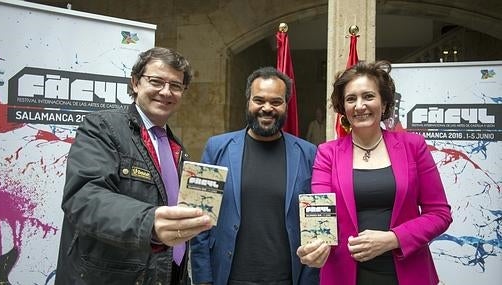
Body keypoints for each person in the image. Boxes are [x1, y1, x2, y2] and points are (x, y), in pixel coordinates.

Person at [55, 47, 213, 285]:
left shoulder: (177, 148)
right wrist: (149, 222)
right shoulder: (102, 127)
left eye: (176, 86)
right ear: (136, 82)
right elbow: (83, 197)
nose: (166, 92)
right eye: (156, 81)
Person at [296, 61, 452, 285]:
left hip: (407, 272)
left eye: (368, 96)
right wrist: (313, 249)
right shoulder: (327, 153)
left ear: (384, 101)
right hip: (344, 274)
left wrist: (393, 239)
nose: (360, 106)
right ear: (343, 107)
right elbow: (320, 219)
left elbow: (439, 213)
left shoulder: (413, 146)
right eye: (351, 99)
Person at [191, 67, 320, 285]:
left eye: (276, 102)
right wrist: (203, 279)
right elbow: (199, 219)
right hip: (228, 277)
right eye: (259, 100)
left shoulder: (308, 153)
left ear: (286, 105)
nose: (267, 108)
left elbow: (316, 224)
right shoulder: (217, 148)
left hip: (287, 279)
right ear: (248, 102)